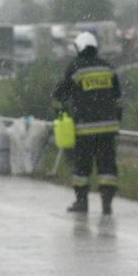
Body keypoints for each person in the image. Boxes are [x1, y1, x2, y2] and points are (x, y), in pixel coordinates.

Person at [53, 32, 122, 215]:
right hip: (108, 127)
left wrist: (62, 113)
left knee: (82, 166)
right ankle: (107, 204)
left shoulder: (76, 67)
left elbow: (59, 94)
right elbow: (118, 97)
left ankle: (81, 202)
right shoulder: (108, 67)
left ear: (80, 47)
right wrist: (116, 120)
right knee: (107, 166)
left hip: (85, 128)